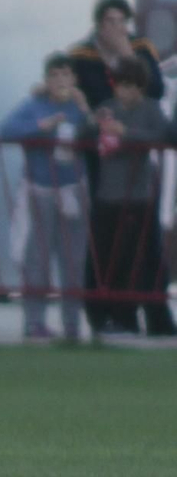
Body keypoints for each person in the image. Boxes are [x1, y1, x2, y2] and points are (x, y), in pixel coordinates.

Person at [0, 55, 92, 341]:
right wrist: (42, 126)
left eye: (66, 75)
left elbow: (94, 132)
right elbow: (5, 130)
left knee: (73, 259)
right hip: (40, 189)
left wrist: (85, 107)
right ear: (47, 79)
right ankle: (34, 322)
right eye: (55, 75)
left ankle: (72, 325)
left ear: (73, 79)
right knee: (36, 258)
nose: (61, 80)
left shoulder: (78, 107)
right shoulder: (34, 105)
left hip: (74, 189)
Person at [86, 57, 175, 337]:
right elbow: (83, 130)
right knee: (105, 260)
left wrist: (126, 134)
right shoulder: (108, 108)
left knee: (136, 261)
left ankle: (143, 318)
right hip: (107, 197)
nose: (122, 92)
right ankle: (109, 318)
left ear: (139, 87)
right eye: (118, 84)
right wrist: (93, 124)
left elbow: (163, 134)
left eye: (128, 85)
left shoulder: (150, 109)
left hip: (138, 198)